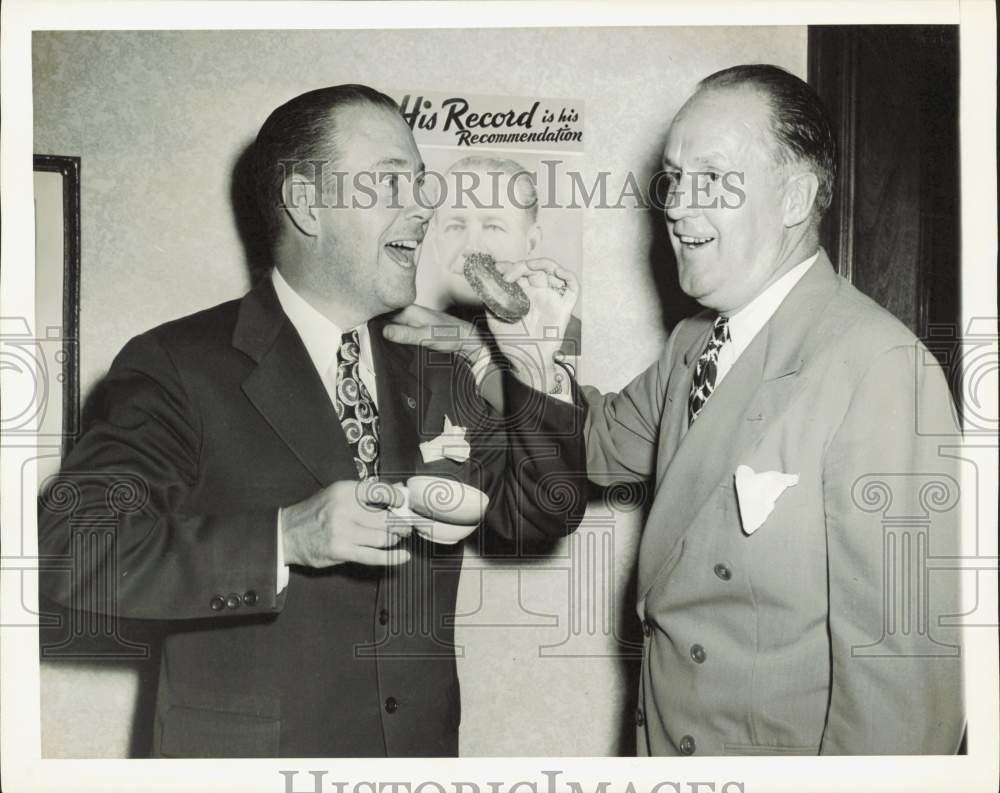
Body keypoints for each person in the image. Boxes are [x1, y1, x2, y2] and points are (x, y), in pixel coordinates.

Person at [387, 65, 965, 755]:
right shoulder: (698, 341)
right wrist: (490, 352)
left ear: (794, 196)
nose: (678, 206)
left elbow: (906, 693)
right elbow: (595, 442)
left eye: (712, 180)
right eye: (673, 178)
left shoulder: (881, 369)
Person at [37, 84, 587, 758]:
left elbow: (541, 511)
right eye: (393, 182)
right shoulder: (176, 365)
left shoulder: (434, 365)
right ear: (305, 204)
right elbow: (72, 549)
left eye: (420, 184)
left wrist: (534, 363)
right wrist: (284, 537)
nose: (425, 207)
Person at [415, 154, 582, 356]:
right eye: (455, 226)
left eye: (493, 226)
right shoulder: (407, 338)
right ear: (434, 239)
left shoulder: (573, 340)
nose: (472, 246)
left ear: (532, 243)